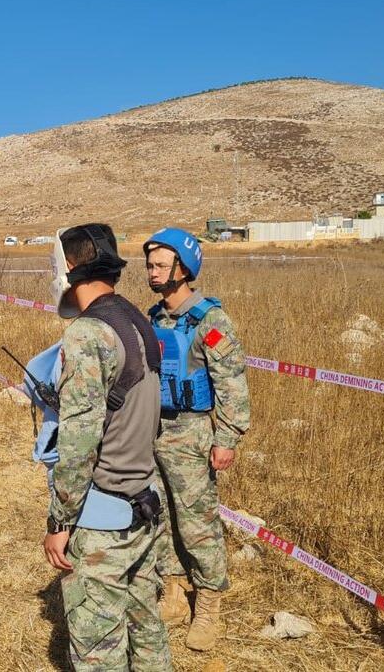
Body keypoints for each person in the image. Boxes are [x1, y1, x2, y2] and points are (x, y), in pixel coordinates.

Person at [43, 223, 172, 671]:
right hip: (144, 506)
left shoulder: (87, 333)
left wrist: (60, 519)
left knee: (99, 651)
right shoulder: (135, 318)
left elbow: (79, 442)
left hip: (103, 520)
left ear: (69, 267)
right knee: (147, 631)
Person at [143, 227, 250, 652]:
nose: (152, 271)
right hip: (155, 431)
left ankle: (208, 603)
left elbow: (233, 384)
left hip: (192, 434)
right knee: (161, 514)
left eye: (160, 265)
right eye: (149, 264)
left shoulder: (210, 320)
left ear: (183, 268)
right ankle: (173, 590)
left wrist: (227, 437)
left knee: (198, 523)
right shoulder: (154, 318)